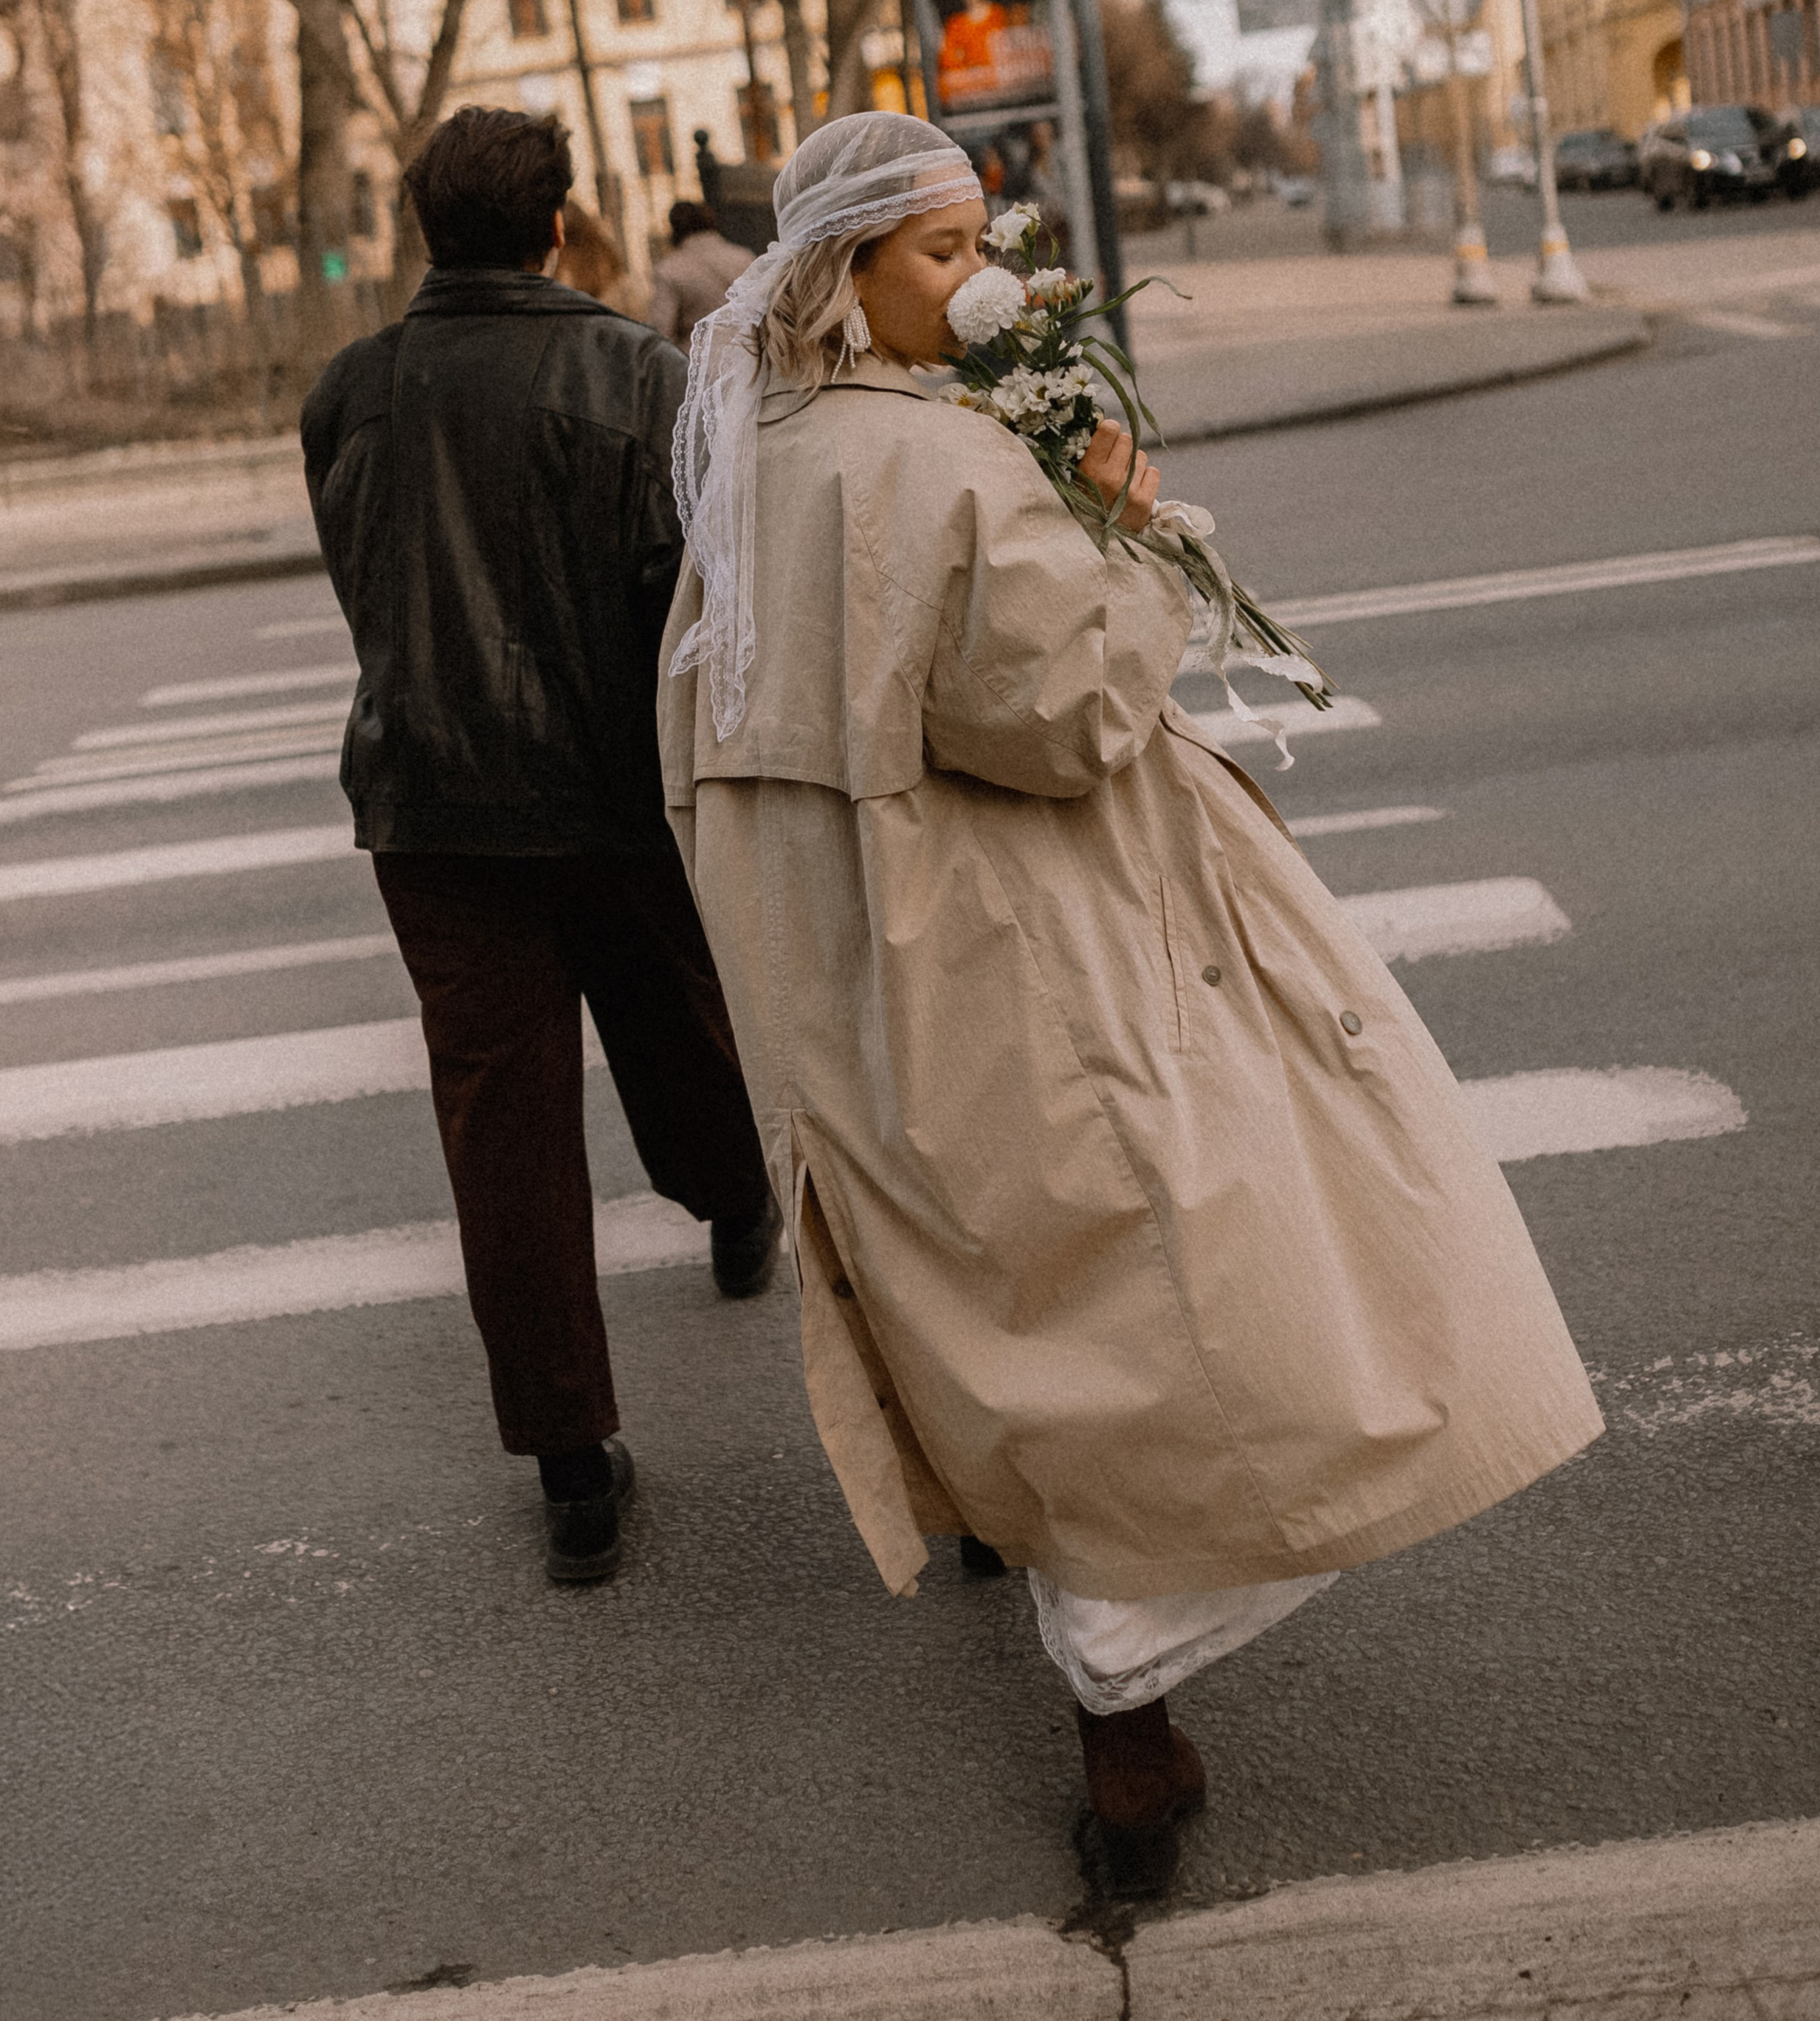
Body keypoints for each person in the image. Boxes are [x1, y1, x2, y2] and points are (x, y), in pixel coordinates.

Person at [658, 110, 1602, 1896]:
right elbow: (1068, 710)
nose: (980, 276)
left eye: (977, 239)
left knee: (994, 1275)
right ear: (841, 272)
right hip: (1019, 940)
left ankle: (1076, 1640)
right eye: (937, 251)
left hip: (856, 960)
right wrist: (1114, 521)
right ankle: (1126, 1743)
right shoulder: (931, 467)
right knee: (1151, 1297)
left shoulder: (756, 455)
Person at [302, 106, 780, 1588]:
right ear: (561, 226)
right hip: (610, 790)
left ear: (424, 235)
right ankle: (736, 1199)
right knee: (687, 1027)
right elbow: (688, 600)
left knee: (501, 1133)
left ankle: (574, 1471)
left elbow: (367, 589)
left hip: (429, 809)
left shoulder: (346, 394)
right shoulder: (635, 375)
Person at [648, 199, 753, 346]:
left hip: (696, 358)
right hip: (747, 353)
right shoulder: (744, 258)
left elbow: (662, 329)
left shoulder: (669, 269)